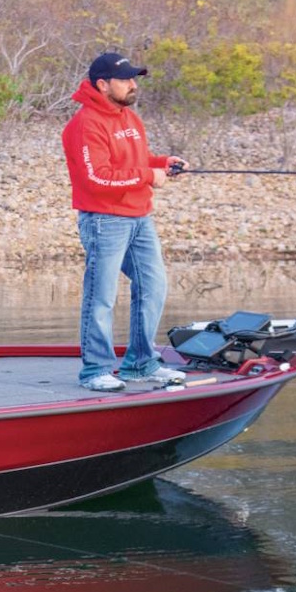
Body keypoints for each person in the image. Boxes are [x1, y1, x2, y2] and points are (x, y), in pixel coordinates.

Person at [62, 51, 188, 393]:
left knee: (153, 287)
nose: (133, 85)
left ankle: (140, 364)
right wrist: (148, 175)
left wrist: (163, 163)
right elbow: (96, 178)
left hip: (139, 218)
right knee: (101, 296)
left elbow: (137, 160)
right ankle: (95, 370)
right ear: (103, 85)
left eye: (134, 79)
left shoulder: (129, 118)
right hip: (104, 221)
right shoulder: (85, 124)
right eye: (126, 80)